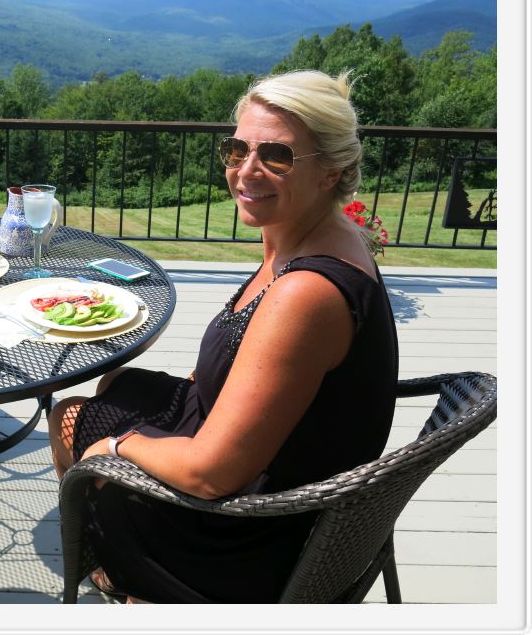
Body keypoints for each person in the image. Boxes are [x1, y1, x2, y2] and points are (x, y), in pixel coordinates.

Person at [47, 69, 399, 604]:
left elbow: (214, 476)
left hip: (244, 531)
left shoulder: (305, 293)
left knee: (69, 419)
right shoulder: (322, 238)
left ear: (332, 172)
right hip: (269, 453)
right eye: (236, 150)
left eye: (276, 156)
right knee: (116, 381)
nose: (246, 170)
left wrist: (119, 446)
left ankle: (125, 572)